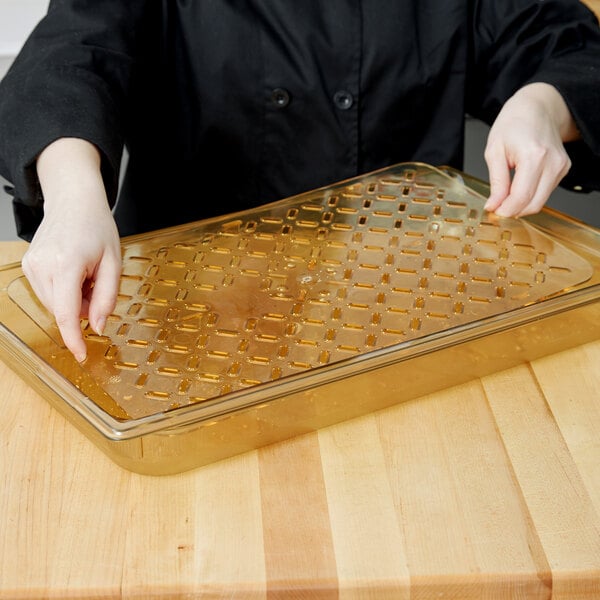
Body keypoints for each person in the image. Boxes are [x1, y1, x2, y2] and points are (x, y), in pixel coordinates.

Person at [0, 0, 599, 362]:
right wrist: (74, 197)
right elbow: (71, 54)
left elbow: (572, 49)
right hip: (184, 316)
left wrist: (544, 105)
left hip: (399, 308)